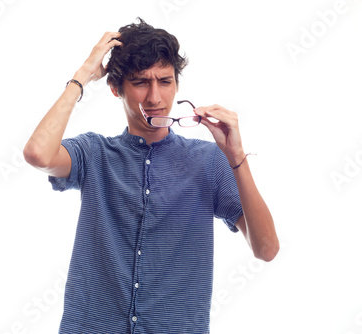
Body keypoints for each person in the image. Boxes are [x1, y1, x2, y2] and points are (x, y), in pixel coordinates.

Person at [24, 18, 279, 334]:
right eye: (141, 82)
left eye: (165, 81)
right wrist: (82, 76)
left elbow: (266, 249)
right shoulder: (94, 153)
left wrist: (237, 158)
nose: (155, 97)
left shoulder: (209, 161)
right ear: (116, 89)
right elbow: (38, 153)